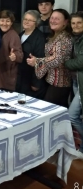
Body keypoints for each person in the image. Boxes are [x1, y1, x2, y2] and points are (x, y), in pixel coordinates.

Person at [27, 9, 72, 108]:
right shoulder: (54, 36)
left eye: (57, 19)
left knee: (50, 111)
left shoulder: (65, 38)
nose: (53, 20)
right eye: (52, 18)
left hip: (60, 84)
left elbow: (57, 59)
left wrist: (37, 61)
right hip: (51, 81)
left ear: (65, 22)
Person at [64, 12, 83, 159]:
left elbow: (80, 62)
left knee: (72, 116)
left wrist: (65, 63)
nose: (75, 26)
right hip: (77, 80)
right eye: (73, 23)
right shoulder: (76, 39)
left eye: (79, 23)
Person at [16, 10, 47, 99]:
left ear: (36, 23)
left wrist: (36, 82)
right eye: (25, 19)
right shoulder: (20, 35)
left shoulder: (39, 38)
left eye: (30, 20)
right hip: (20, 78)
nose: (26, 22)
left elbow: (40, 60)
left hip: (31, 80)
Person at [0, 10, 23, 91]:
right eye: (2, 20)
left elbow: (19, 55)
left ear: (12, 22)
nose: (4, 23)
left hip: (8, 78)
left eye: (8, 21)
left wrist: (15, 56)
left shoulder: (13, 35)